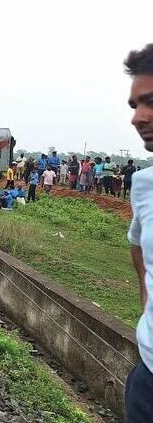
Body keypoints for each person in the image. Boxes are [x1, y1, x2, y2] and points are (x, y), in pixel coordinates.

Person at [123, 43, 153, 421]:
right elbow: (136, 245)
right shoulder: (144, 185)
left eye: (151, 101)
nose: (137, 117)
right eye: (134, 106)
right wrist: (146, 298)